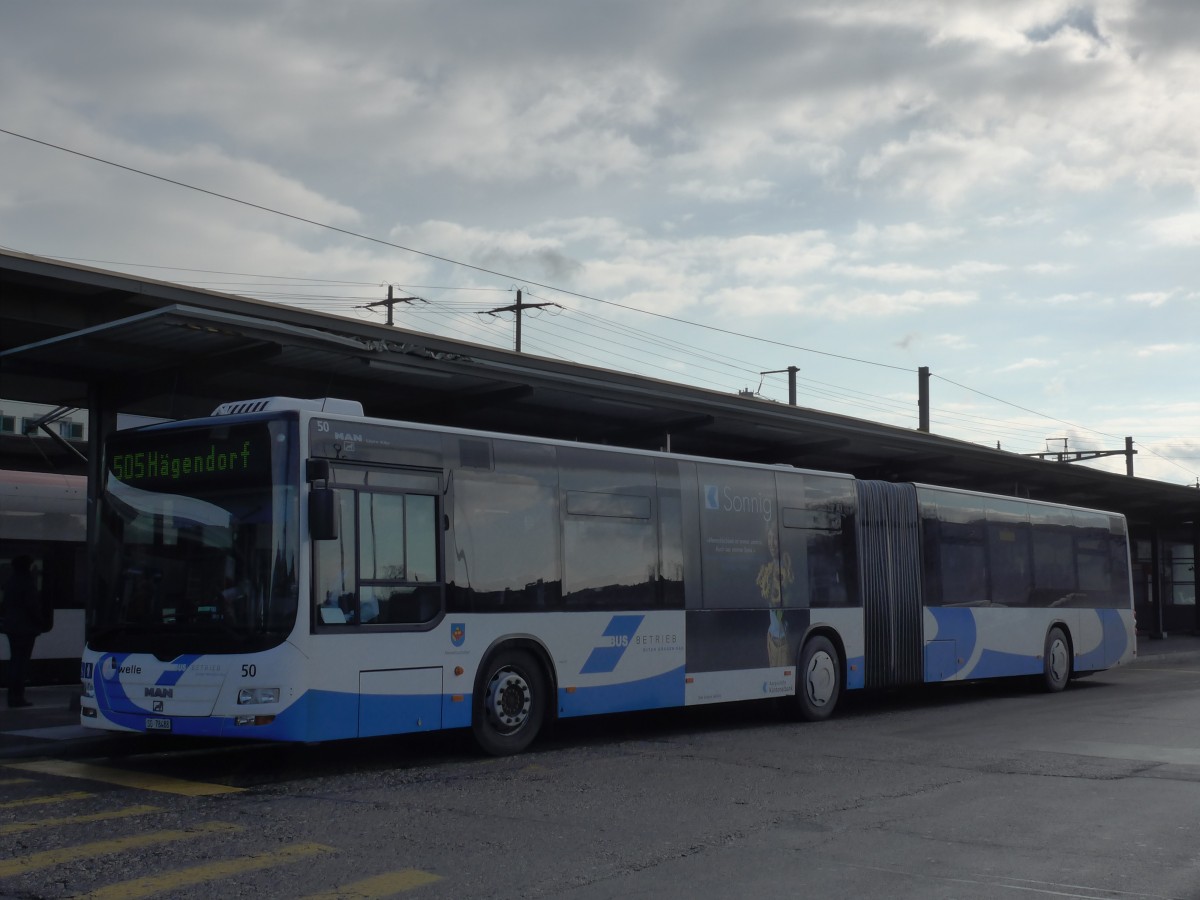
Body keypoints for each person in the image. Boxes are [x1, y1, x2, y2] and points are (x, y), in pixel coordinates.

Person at [2, 555, 42, 708]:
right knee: (21, 663)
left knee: (14, 661)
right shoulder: (27, 582)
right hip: (25, 628)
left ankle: (12, 696)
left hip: (12, 627)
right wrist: (40, 622)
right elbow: (32, 606)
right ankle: (18, 697)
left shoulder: (10, 582)